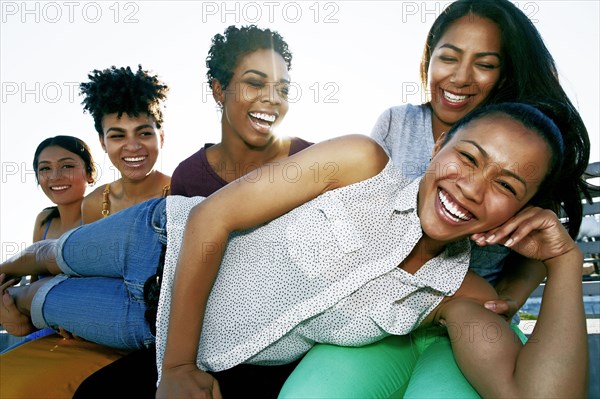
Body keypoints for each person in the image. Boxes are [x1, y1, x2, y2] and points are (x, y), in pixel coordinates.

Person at [0, 103, 588, 398]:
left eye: (507, 186)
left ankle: (20, 295)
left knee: (43, 303)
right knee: (52, 255)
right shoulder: (361, 163)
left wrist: (560, 263)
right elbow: (214, 216)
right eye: (469, 157)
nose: (473, 187)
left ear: (519, 210)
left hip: (145, 323)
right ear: (440, 146)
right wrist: (179, 369)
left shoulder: (454, 292)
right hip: (157, 241)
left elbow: (529, 394)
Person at [280, 0, 592, 396]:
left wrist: (507, 300)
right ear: (430, 57)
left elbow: (539, 242)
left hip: (469, 317)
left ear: (505, 72)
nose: (460, 77)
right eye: (449, 57)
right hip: (386, 308)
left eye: (485, 63)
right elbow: (361, 211)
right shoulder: (397, 122)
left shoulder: (521, 144)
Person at [73, 25, 312, 398]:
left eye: (282, 88)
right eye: (254, 83)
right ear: (218, 89)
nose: (271, 99)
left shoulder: (311, 161)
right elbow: (175, 277)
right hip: (201, 337)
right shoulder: (190, 175)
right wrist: (179, 363)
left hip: (281, 340)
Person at [1, 136, 96, 353]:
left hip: (85, 336)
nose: (55, 176)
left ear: (90, 174)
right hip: (45, 332)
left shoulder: (98, 217)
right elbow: (33, 283)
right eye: (45, 169)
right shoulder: (44, 220)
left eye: (67, 166)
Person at [79, 65, 171, 223]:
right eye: (118, 136)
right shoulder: (93, 205)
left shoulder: (182, 193)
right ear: (103, 142)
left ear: (161, 137)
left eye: (144, 133)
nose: (133, 146)